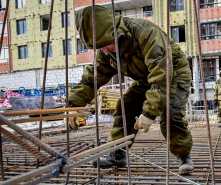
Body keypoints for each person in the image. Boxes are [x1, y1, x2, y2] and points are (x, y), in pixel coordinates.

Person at [65, 5, 194, 174]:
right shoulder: (106, 51)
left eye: (105, 44)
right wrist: (74, 105)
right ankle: (118, 154)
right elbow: (92, 79)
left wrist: (148, 113)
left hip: (174, 73)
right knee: (125, 106)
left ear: (114, 32)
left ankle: (183, 155)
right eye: (99, 47)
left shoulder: (144, 32)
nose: (103, 50)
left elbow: (161, 77)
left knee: (171, 112)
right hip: (147, 78)